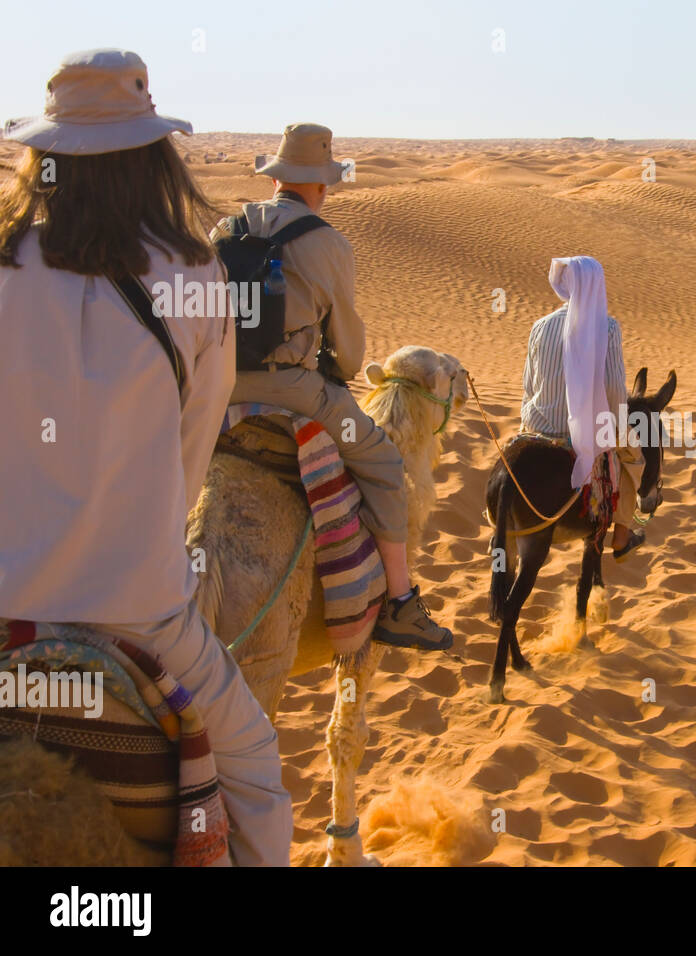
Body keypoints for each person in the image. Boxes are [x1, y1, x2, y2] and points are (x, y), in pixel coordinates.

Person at [0, 49, 290, 865]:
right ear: (150, 154)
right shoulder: (196, 276)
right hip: (145, 615)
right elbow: (194, 451)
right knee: (257, 779)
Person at [213, 124, 453, 651]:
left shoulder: (226, 230)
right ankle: (400, 602)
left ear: (276, 178)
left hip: (215, 392)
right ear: (321, 186)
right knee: (386, 466)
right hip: (297, 393)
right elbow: (346, 352)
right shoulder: (328, 244)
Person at [521, 256, 645, 559]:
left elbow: (529, 387)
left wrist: (530, 420)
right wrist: (621, 428)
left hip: (537, 424)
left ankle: (495, 524)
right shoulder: (608, 327)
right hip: (583, 430)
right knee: (633, 457)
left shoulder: (540, 326)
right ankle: (621, 536)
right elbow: (615, 390)